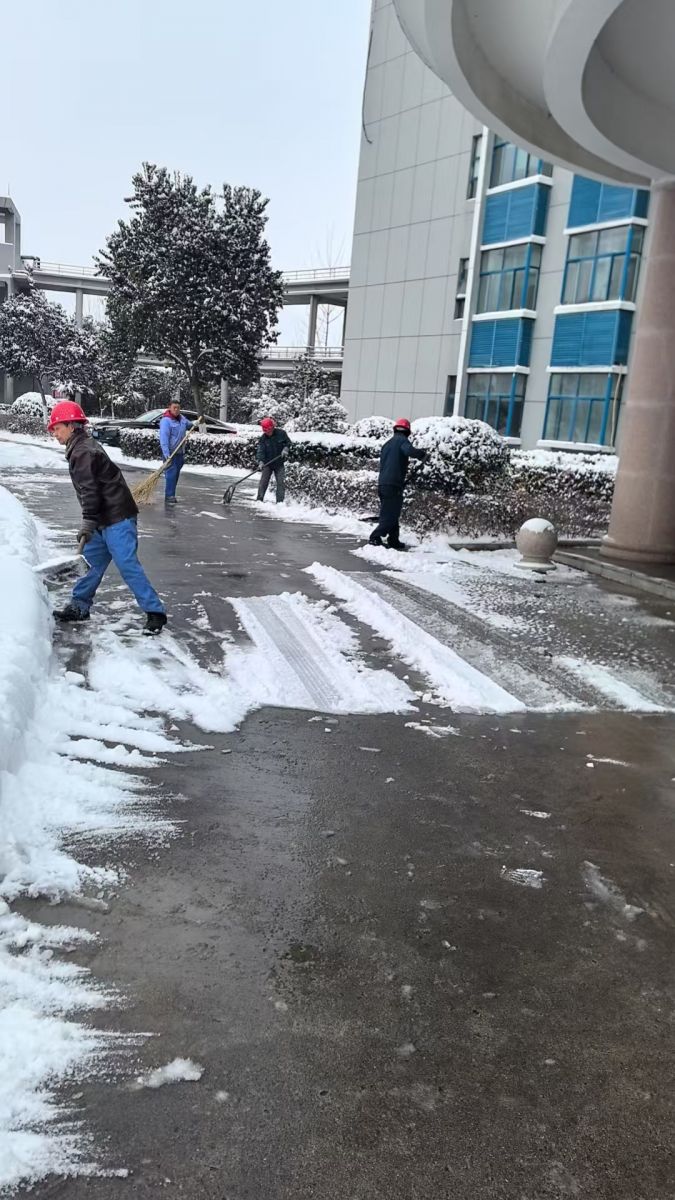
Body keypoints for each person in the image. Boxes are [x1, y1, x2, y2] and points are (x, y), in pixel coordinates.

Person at [48, 401, 167, 635]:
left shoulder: (83, 451)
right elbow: (91, 490)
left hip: (117, 518)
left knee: (127, 565)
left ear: (71, 426)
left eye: (57, 428)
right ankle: (79, 607)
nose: (55, 434)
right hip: (102, 518)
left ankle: (155, 613)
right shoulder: (80, 446)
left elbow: (90, 491)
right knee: (90, 564)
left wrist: (87, 521)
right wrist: (92, 522)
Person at [368, 417, 426, 551]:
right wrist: (422, 454)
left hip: (383, 484)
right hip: (393, 484)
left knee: (392, 511)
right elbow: (409, 451)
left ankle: (393, 539)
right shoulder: (402, 441)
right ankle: (375, 537)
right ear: (407, 431)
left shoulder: (387, 444)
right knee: (390, 514)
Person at [159, 400, 192, 504]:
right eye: (174, 407)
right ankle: (169, 496)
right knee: (171, 475)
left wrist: (195, 423)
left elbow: (189, 424)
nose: (176, 410)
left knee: (175, 475)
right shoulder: (166, 421)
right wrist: (167, 455)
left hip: (180, 452)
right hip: (170, 453)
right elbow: (164, 439)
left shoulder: (182, 419)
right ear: (169, 408)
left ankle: (171, 494)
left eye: (178, 408)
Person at [256, 417, 291, 503]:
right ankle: (259, 500)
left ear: (272, 427)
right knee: (263, 482)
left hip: (279, 463)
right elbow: (260, 451)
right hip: (267, 463)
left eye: (268, 430)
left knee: (281, 482)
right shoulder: (263, 438)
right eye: (265, 431)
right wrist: (261, 461)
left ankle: (280, 502)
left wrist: (285, 448)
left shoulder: (281, 433)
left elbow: (288, 443)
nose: (267, 432)